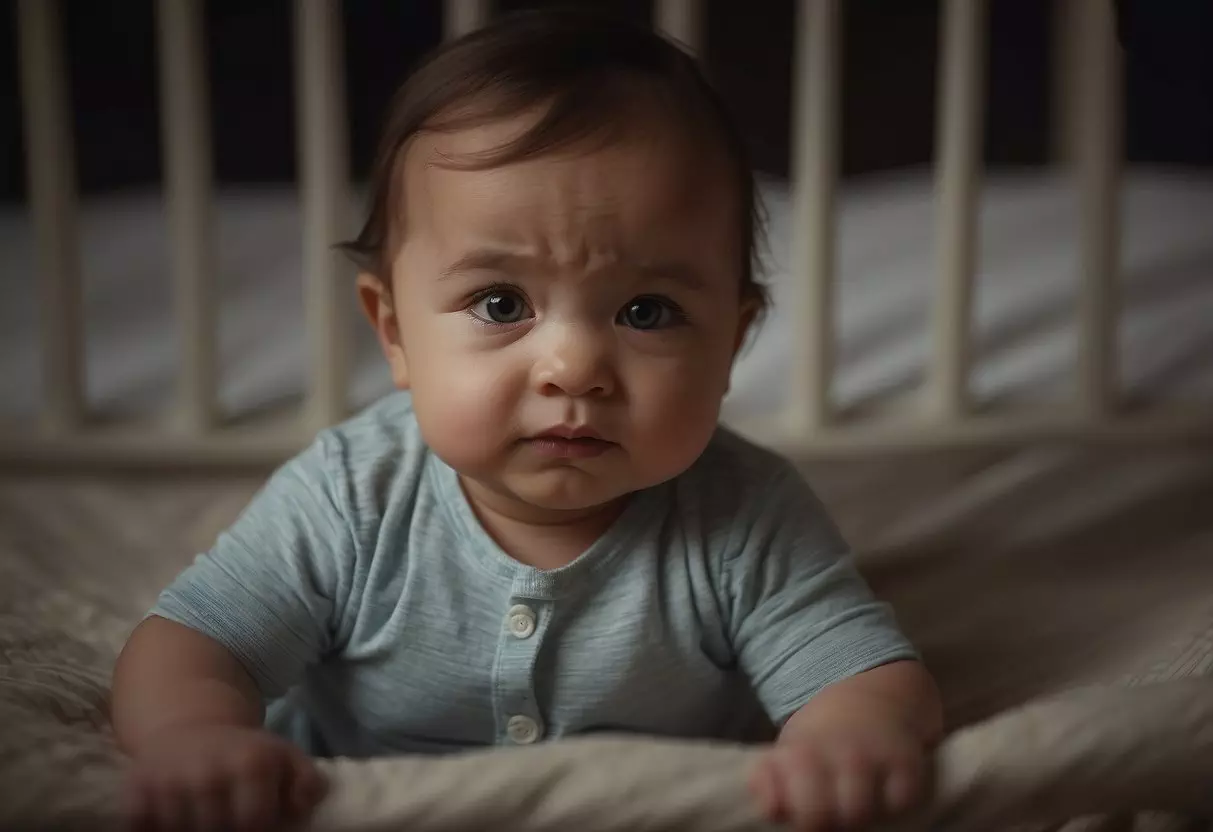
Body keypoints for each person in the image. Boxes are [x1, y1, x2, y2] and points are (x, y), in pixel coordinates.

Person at [110, 9, 942, 832]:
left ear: (731, 340)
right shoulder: (349, 496)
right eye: (500, 303)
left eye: (647, 311)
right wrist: (195, 737)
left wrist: (848, 736)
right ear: (395, 331)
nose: (573, 367)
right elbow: (190, 647)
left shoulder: (744, 515)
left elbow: (861, 676)